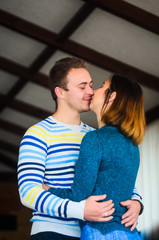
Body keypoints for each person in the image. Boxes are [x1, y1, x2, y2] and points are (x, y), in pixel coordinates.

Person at [17, 58, 143, 240]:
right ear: (60, 92)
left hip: (93, 232)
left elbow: (117, 177)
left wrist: (137, 202)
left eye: (91, 85)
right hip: (53, 232)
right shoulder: (38, 133)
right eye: (82, 87)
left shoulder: (96, 136)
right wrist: (80, 210)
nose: (90, 91)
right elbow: (28, 191)